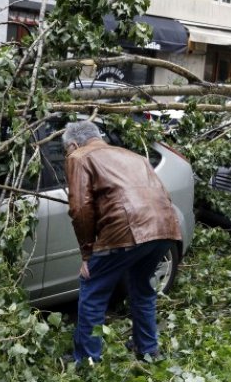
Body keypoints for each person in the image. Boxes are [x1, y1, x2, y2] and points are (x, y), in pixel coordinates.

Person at [62, 120, 182, 363]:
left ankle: (86, 360)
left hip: (125, 230)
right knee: (142, 287)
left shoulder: (79, 157)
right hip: (165, 227)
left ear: (74, 144)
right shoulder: (133, 156)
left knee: (92, 289)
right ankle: (148, 349)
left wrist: (87, 254)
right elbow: (161, 193)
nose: (68, 155)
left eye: (67, 150)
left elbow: (80, 209)